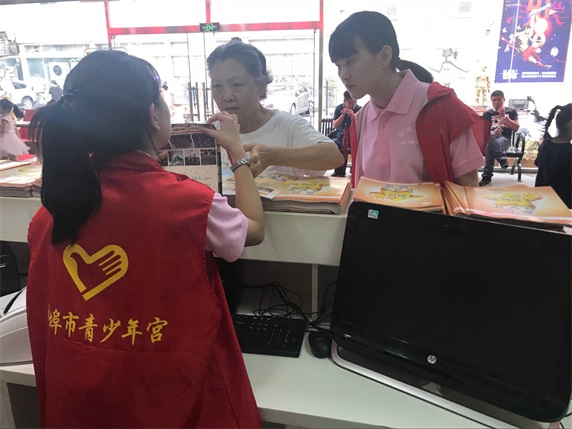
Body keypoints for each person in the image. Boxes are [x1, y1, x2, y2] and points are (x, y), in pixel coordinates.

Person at [26, 50, 264, 428]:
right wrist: (237, 152)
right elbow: (254, 229)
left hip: (83, 404)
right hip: (170, 403)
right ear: (153, 115)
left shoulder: (51, 213)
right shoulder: (189, 205)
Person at [328, 11, 486, 187]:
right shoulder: (360, 120)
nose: (343, 75)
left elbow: (468, 188)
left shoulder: (440, 105)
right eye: (338, 66)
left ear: (384, 56)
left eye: (350, 62)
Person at [207, 38, 343, 177]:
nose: (227, 96)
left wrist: (274, 156)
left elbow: (333, 156)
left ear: (261, 85)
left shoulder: (286, 126)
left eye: (237, 84)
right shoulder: (209, 133)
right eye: (217, 85)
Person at [479, 90, 520, 186]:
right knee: (489, 138)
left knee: (489, 146)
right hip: (491, 139)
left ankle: (487, 176)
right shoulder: (487, 114)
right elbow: (483, 131)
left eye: (499, 99)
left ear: (504, 100)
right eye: (494, 100)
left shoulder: (511, 111)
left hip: (504, 140)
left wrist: (504, 116)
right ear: (491, 101)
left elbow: (516, 128)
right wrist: (493, 132)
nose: (496, 102)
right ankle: (501, 158)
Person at [534, 103, 571, 208]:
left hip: (541, 200)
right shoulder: (569, 151)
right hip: (563, 203)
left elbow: (537, 163)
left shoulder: (546, 144)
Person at [331, 90, 361, 177]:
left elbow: (361, 126)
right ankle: (338, 171)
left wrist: (353, 116)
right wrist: (343, 115)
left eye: (355, 102)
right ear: (345, 101)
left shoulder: (359, 109)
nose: (353, 104)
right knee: (335, 145)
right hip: (341, 136)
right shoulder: (339, 108)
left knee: (363, 145)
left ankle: (356, 170)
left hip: (356, 136)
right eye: (350, 102)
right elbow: (335, 125)